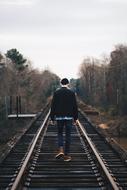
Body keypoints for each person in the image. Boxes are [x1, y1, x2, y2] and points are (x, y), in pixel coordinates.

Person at [50, 78, 78, 161]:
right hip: (69, 117)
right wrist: (75, 118)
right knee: (68, 135)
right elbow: (75, 106)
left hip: (59, 117)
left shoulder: (56, 93)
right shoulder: (72, 93)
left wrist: (52, 118)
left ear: (60, 83)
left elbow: (53, 106)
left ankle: (61, 150)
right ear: (68, 83)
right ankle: (67, 155)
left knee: (60, 133)